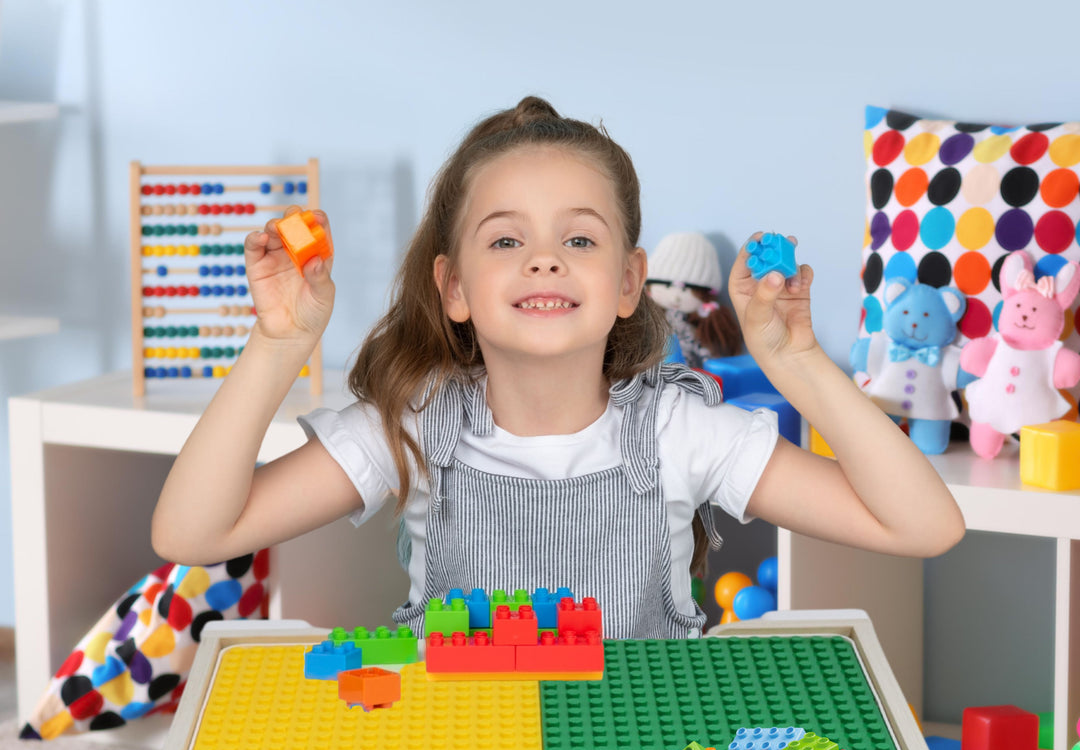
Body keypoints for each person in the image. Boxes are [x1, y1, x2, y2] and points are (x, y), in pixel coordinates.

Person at [152, 96, 964, 640]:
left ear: (625, 283)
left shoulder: (681, 430)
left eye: (578, 239)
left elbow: (924, 525)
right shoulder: (413, 421)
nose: (544, 261)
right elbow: (192, 532)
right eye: (507, 240)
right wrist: (277, 345)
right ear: (455, 287)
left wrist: (799, 363)